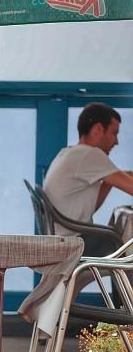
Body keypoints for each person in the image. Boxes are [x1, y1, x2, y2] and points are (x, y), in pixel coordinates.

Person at [43, 102, 133, 255]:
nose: (116, 142)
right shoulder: (90, 154)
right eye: (114, 133)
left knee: (116, 239)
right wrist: (117, 177)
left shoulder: (68, 153)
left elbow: (91, 207)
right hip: (74, 242)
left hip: (62, 239)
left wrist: (111, 179)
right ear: (98, 129)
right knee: (123, 247)